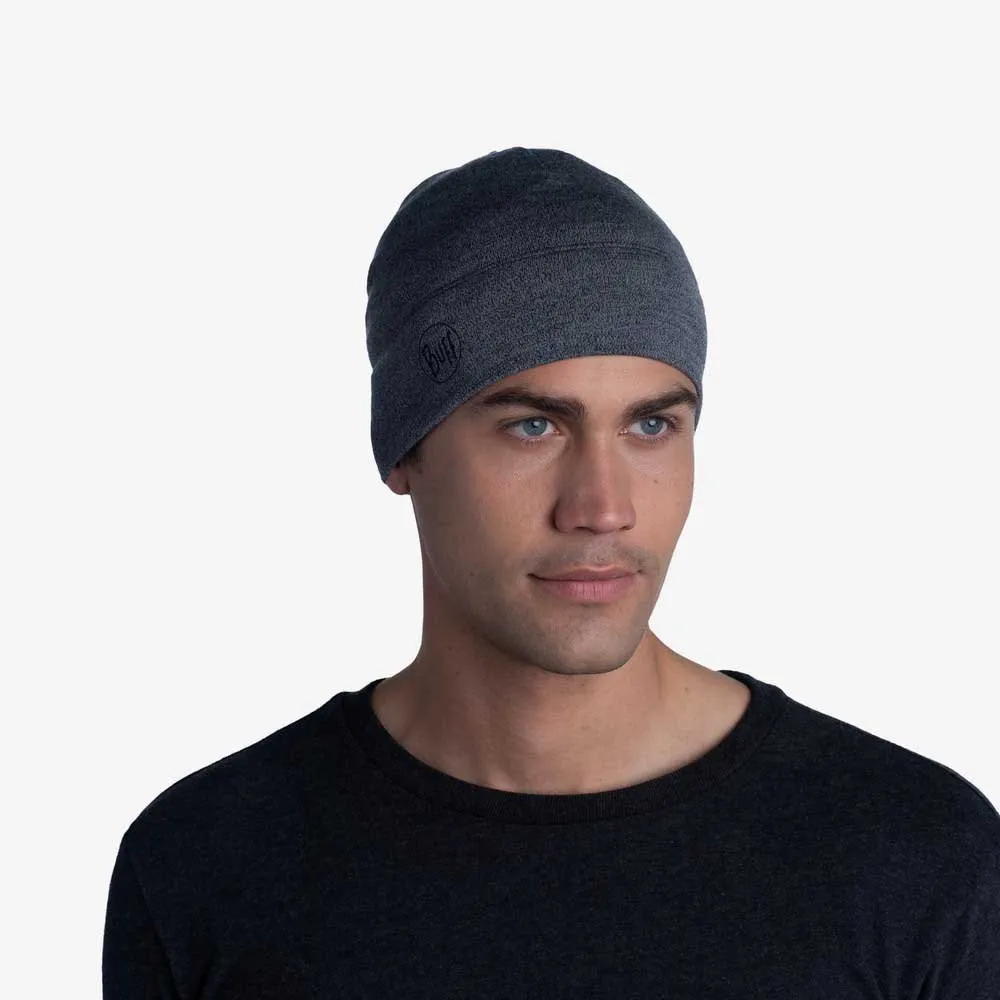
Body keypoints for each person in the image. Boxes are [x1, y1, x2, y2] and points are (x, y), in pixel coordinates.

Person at [102, 147, 1000, 998]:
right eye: (533, 427)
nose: (603, 508)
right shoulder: (205, 868)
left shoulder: (917, 859)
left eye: (652, 426)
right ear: (405, 450)